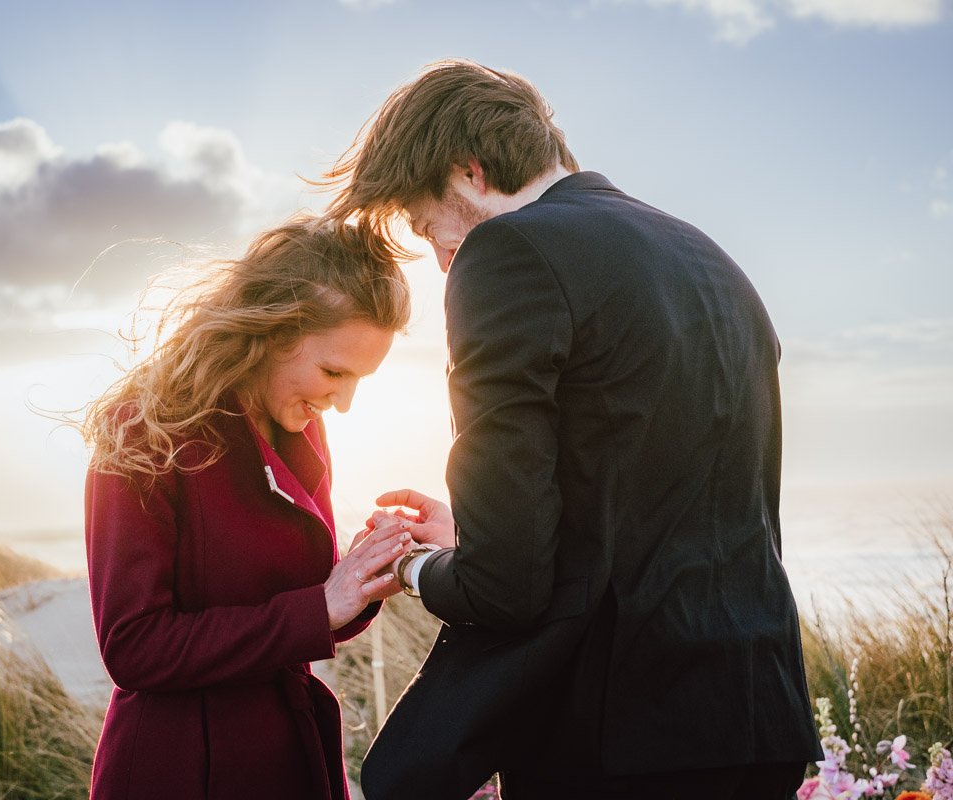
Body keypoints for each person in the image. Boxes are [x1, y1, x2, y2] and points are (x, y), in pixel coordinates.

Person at [322, 59, 823, 799]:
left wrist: (407, 570)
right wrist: (475, 531)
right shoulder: (709, 258)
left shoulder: (508, 253)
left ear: (471, 170)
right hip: (758, 716)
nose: (441, 258)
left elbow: (508, 589)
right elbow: (650, 502)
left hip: (616, 734)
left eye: (432, 227)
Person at [81, 215, 413, 800]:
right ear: (272, 331)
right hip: (183, 768)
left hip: (291, 757)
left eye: (359, 379)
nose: (343, 403)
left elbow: (306, 607)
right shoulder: (142, 427)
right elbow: (133, 648)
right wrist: (320, 608)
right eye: (334, 372)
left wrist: (360, 581)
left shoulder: (301, 424)